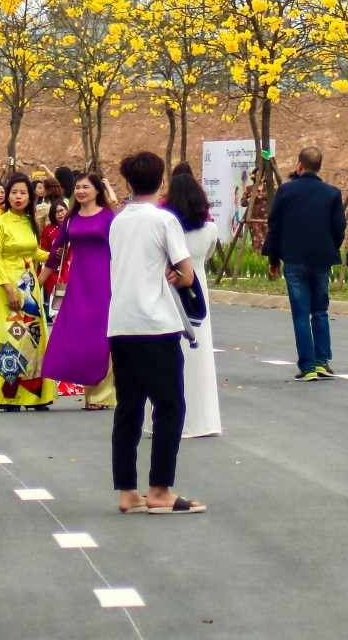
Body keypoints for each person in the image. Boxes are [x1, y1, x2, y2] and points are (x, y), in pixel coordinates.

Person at [106, 151, 203, 514]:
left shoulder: (117, 222)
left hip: (120, 323)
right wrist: (177, 275)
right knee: (169, 405)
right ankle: (160, 489)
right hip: (155, 324)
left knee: (128, 408)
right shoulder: (164, 221)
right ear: (161, 181)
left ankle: (127, 492)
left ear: (127, 184)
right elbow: (187, 273)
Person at [262, 146, 346, 381]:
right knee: (320, 311)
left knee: (301, 314)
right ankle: (321, 361)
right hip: (321, 260)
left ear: (299, 165)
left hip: (294, 260)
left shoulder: (286, 192)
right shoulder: (332, 193)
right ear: (319, 167)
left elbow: (275, 226)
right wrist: (330, 247)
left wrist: (273, 259)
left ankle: (308, 367)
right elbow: (339, 228)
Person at [42, 171, 119, 410]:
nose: (81, 191)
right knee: (79, 336)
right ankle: (89, 391)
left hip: (104, 281)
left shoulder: (109, 218)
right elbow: (56, 252)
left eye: (86, 187)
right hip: (77, 282)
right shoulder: (71, 219)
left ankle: (103, 396)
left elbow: (120, 249)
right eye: (78, 187)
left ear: (98, 190)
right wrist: (39, 280)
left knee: (101, 337)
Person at [0, 172, 54, 409]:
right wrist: (8, 289)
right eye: (14, 192)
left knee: (33, 337)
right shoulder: (1, 223)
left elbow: (33, 253)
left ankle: (35, 395)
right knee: (9, 338)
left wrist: (56, 256)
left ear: (30, 196)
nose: (18, 196)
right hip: (7, 286)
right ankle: (8, 395)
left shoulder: (29, 222)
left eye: (23, 192)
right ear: (7, 196)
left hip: (30, 286)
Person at [167, 168, 223, 438]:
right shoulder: (210, 229)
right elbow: (209, 253)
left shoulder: (168, 228)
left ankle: (166, 420)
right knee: (200, 355)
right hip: (198, 292)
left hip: (171, 290)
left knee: (171, 356)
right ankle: (204, 420)